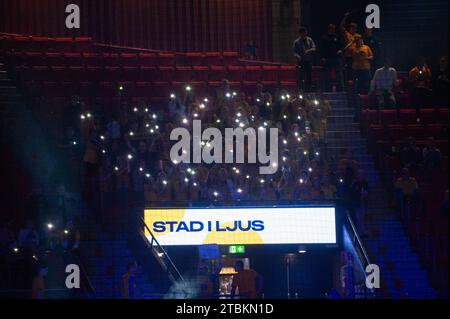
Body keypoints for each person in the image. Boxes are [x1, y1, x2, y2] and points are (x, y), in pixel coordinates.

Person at [320, 24, 344, 91]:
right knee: (327, 75)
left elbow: (341, 46)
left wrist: (340, 50)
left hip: (336, 58)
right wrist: (323, 57)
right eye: (332, 29)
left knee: (339, 74)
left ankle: (341, 89)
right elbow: (322, 48)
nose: (333, 30)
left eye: (334, 29)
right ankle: (327, 89)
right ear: (329, 29)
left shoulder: (337, 37)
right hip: (328, 58)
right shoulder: (324, 37)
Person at [293, 27, 316, 92]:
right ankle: (301, 90)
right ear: (300, 34)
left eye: (305, 33)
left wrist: (309, 50)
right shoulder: (296, 42)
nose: (304, 35)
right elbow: (294, 52)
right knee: (301, 77)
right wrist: (298, 56)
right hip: (301, 62)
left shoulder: (309, 40)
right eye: (303, 33)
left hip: (308, 61)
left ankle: (308, 90)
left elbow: (314, 48)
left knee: (309, 76)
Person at [340, 12, 359, 80]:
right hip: (348, 57)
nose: (353, 29)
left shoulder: (357, 36)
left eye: (354, 28)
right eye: (352, 28)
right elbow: (342, 26)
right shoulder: (347, 34)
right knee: (348, 72)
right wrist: (345, 17)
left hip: (356, 57)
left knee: (355, 72)